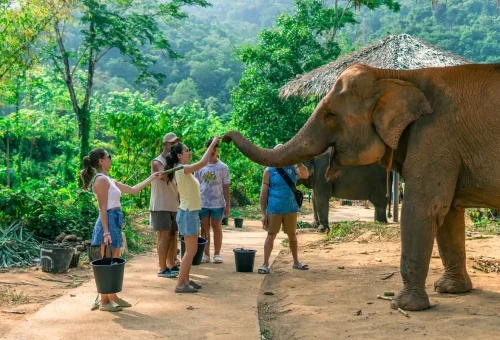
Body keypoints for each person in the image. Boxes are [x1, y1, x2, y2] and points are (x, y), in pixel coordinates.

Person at [81, 148, 163, 312]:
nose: (111, 159)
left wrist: (151, 178)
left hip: (114, 220)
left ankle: (112, 296)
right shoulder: (101, 181)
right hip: (108, 220)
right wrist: (106, 232)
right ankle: (104, 301)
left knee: (115, 258)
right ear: (101, 161)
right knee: (107, 260)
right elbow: (102, 208)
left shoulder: (109, 179)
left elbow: (132, 189)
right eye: (108, 157)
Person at [165, 137, 220, 293]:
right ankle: (180, 284)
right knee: (190, 251)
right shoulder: (181, 169)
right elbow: (203, 163)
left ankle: (186, 280)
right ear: (179, 156)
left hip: (191, 212)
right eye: (187, 150)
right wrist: (213, 143)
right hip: (188, 213)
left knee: (192, 250)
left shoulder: (183, 168)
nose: (190, 152)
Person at [258, 144, 310, 274]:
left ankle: (296, 262)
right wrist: (263, 213)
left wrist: (298, 161)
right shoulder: (269, 171)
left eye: (282, 152)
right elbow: (263, 193)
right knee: (271, 235)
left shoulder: (293, 167)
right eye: (277, 152)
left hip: (291, 208)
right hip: (274, 208)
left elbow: (305, 175)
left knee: (292, 235)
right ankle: (265, 264)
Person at [150, 132, 181, 278]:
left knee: (174, 235)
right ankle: (162, 268)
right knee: (164, 235)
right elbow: (164, 177)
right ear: (165, 144)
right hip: (160, 204)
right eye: (171, 144)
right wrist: (181, 164)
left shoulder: (177, 162)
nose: (174, 146)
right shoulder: (157, 162)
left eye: (176, 144)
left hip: (174, 204)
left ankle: (171, 264)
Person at [195, 138, 230, 264]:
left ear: (217, 150)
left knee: (217, 228)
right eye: (211, 147)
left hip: (218, 203)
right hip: (202, 203)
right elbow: (196, 184)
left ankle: (217, 254)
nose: (213, 150)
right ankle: (205, 254)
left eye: (216, 147)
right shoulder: (200, 166)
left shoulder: (223, 167)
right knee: (204, 229)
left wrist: (228, 204)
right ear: (207, 149)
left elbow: (226, 186)